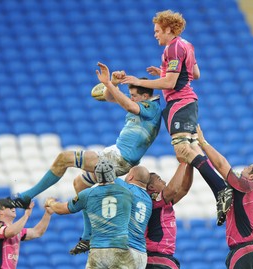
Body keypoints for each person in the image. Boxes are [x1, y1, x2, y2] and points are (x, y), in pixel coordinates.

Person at [9, 62, 162, 209]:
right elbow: (110, 97)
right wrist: (113, 83)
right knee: (79, 184)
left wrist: (108, 85)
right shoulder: (141, 104)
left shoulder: (152, 107)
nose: (131, 97)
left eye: (134, 95)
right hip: (115, 153)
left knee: (64, 158)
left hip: (121, 159)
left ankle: (26, 197)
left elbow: (129, 105)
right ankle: (88, 235)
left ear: (144, 96)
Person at [178, 125, 253, 269]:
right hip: (242, 251)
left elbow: (221, 165)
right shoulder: (242, 193)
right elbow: (214, 179)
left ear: (252, 176)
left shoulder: (248, 186)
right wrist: (195, 148)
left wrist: (203, 143)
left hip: (245, 250)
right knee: (222, 190)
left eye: (247, 168)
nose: (243, 169)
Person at [121, 10, 203, 164]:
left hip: (180, 102)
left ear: (168, 29)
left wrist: (138, 81)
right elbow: (195, 73)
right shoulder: (187, 45)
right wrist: (164, 72)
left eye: (157, 31)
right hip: (189, 102)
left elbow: (169, 83)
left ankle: (218, 186)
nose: (155, 35)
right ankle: (219, 183)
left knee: (183, 151)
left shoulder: (172, 48)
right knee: (191, 150)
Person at [44, 159, 136, 269]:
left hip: (98, 249)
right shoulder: (128, 193)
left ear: (96, 176)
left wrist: (50, 202)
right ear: (114, 174)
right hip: (120, 248)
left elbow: (61, 209)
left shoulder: (87, 194)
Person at [72, 165, 153, 269]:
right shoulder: (148, 200)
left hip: (124, 249)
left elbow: (102, 171)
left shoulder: (124, 186)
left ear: (131, 177)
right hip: (140, 255)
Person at [145, 162, 193, 269]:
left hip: (163, 257)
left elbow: (184, 189)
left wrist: (190, 164)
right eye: (159, 179)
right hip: (155, 258)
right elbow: (172, 189)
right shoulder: (150, 200)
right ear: (152, 187)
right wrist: (183, 162)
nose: (164, 182)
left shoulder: (163, 201)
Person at [0, 199, 53, 269]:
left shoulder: (17, 230)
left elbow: (37, 232)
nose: (13, 208)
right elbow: (11, 232)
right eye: (9, 207)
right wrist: (26, 215)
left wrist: (48, 213)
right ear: (0, 212)